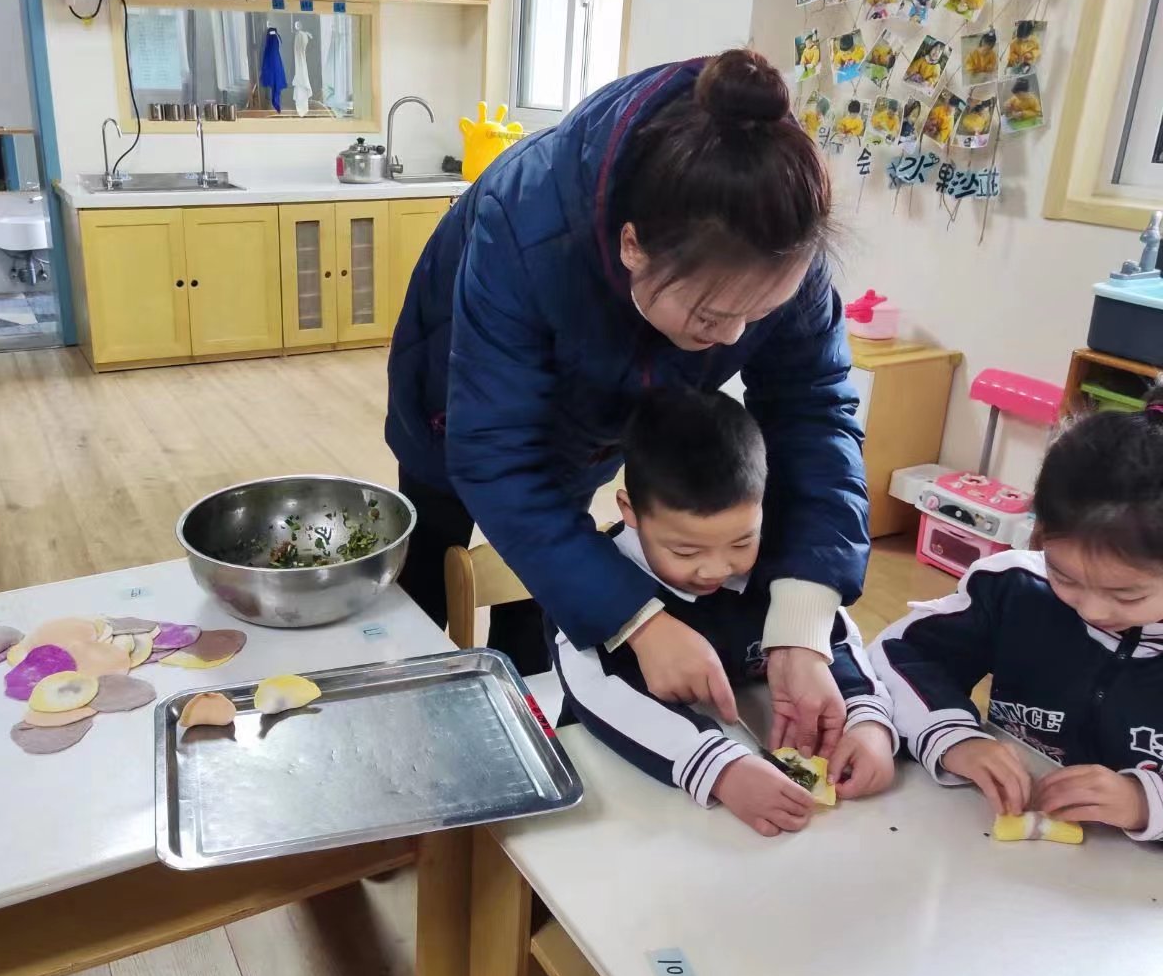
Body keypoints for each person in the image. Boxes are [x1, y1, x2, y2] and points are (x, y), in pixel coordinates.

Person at [387, 49, 869, 758]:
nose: (734, 340)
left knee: (550, 571)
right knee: (433, 549)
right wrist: (637, 621)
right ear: (633, 246)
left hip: (593, 411)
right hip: (452, 401)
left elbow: (816, 414)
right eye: (711, 316)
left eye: (760, 313)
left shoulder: (779, 232)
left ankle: (530, 710)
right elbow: (496, 455)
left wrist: (802, 622)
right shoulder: (525, 221)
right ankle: (416, 728)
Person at [552, 389, 897, 836]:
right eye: (685, 550)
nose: (716, 569)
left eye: (741, 542)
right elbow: (595, 690)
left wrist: (866, 718)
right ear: (630, 511)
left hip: (752, 789)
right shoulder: (592, 578)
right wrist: (718, 767)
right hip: (623, 797)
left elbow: (831, 636)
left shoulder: (786, 566)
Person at [869, 390, 1163, 843]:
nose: (1091, 609)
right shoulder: (1013, 589)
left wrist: (1145, 802)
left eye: (1126, 594)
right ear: (1039, 536)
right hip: (989, 852)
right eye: (1064, 575)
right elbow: (896, 654)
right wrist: (954, 736)